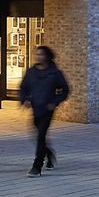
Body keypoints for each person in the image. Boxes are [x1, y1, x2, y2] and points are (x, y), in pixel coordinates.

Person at [20, 45, 69, 176]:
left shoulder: (55, 73)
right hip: (36, 107)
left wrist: (55, 102)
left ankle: (37, 166)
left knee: (41, 135)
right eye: (37, 54)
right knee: (36, 136)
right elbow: (24, 87)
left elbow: (65, 90)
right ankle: (49, 153)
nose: (38, 57)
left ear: (47, 56)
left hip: (48, 108)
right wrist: (25, 99)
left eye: (41, 54)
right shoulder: (31, 72)